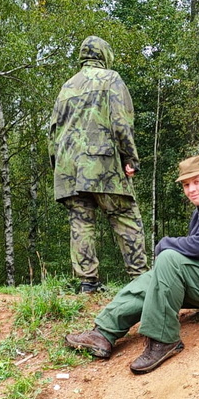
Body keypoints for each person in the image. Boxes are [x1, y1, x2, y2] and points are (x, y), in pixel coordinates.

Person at [65, 155, 199, 374]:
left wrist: (164, 244)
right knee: (153, 277)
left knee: (169, 258)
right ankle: (103, 333)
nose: (191, 189)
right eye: (186, 185)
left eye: (197, 182)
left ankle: (164, 339)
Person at [49, 35, 148, 293]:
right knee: (124, 215)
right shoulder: (111, 79)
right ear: (104, 55)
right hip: (102, 164)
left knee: (81, 222)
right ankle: (141, 281)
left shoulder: (66, 87)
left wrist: (58, 166)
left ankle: (88, 283)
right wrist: (130, 158)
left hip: (68, 168)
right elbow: (121, 122)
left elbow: (53, 131)